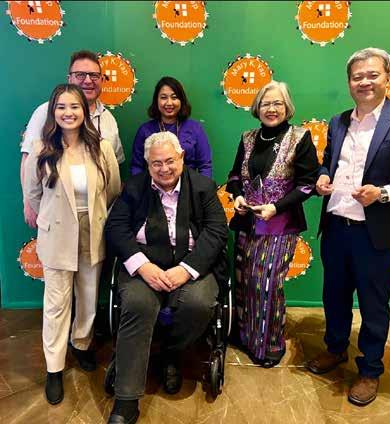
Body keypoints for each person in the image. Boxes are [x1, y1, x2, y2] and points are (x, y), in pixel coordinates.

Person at [306, 47, 390, 406]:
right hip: (336, 226)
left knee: (373, 303)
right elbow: (327, 162)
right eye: (357, 76)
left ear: (388, 78)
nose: (364, 81)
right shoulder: (338, 121)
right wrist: (322, 177)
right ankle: (336, 349)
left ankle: (370, 370)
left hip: (375, 233)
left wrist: (383, 193)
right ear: (349, 82)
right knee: (334, 296)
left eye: (372, 75)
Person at [104, 132, 228, 424]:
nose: (164, 169)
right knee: (138, 304)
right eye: (156, 163)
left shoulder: (203, 187)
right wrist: (142, 266)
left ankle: (170, 353)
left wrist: (186, 269)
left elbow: (216, 232)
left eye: (170, 161)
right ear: (147, 164)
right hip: (145, 264)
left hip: (192, 264)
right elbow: (116, 228)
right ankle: (126, 400)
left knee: (198, 304)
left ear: (181, 158)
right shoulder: (134, 188)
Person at [23, 84, 121, 405]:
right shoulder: (41, 149)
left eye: (74, 106)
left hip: (92, 230)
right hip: (57, 234)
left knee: (88, 297)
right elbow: (33, 194)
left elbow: (113, 189)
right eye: (61, 107)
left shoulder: (101, 147)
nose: (68, 113)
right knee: (56, 303)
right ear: (53, 112)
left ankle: (81, 344)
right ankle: (54, 367)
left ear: (85, 111)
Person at [226, 81, 319, 368]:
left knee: (266, 284)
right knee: (245, 282)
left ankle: (269, 346)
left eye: (278, 103)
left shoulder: (300, 138)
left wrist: (276, 207)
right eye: (266, 103)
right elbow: (234, 176)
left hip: (280, 225)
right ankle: (245, 336)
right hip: (247, 223)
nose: (272, 109)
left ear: (287, 107)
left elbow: (308, 185)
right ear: (257, 108)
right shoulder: (248, 138)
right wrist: (237, 196)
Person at [21, 50, 125, 228]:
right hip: (56, 220)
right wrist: (29, 203)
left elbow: (114, 178)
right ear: (69, 79)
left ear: (101, 80)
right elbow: (28, 160)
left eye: (94, 75)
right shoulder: (46, 112)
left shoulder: (109, 119)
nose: (88, 81)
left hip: (95, 222)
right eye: (80, 75)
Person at [130, 76, 212, 177]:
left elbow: (205, 166)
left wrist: (200, 187)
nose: (169, 103)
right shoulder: (145, 130)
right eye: (163, 97)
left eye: (174, 97)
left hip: (190, 185)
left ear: (181, 100)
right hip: (153, 185)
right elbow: (137, 166)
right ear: (156, 100)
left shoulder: (195, 128)